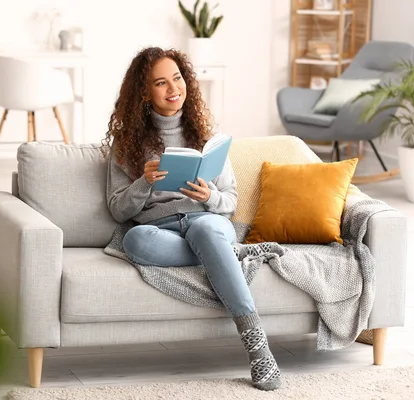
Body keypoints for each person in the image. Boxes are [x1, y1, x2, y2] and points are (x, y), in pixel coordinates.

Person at [100, 47, 282, 391]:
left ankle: (258, 348)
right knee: (134, 239)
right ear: (144, 92)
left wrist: (209, 197)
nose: (173, 88)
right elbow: (117, 209)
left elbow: (229, 198)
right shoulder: (126, 143)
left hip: (206, 222)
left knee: (205, 229)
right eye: (160, 82)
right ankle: (231, 255)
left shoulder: (205, 133)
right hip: (159, 230)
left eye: (178, 78)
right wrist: (144, 182)